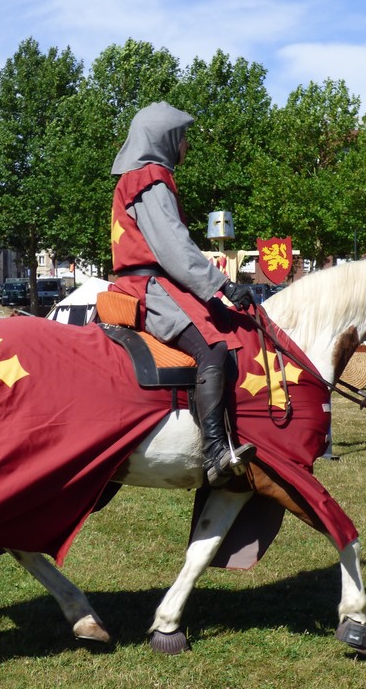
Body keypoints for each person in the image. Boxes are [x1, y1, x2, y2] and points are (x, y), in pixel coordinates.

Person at [108, 101, 256, 487]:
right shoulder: (150, 178)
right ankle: (214, 453)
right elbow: (175, 248)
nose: (186, 145)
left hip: (146, 284)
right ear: (167, 139)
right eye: (183, 137)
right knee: (213, 348)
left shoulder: (138, 178)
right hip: (151, 289)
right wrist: (223, 285)